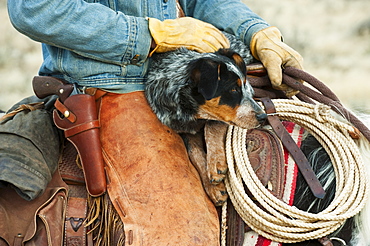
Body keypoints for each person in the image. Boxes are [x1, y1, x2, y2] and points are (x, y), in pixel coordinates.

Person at [5, 0, 304, 245]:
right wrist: (149, 33)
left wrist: (255, 32)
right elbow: (35, 8)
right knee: (184, 234)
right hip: (111, 85)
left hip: (185, 75)